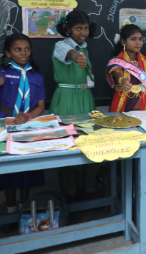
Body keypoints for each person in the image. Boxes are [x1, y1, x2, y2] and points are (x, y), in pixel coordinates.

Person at [0, 33, 45, 216]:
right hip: (6, 123)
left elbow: (40, 106)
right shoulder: (3, 72)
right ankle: (11, 210)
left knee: (26, 168)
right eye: (17, 50)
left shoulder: (37, 76)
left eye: (27, 49)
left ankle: (25, 209)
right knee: (8, 167)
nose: (23, 53)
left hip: (28, 123)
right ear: (8, 53)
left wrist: (27, 116)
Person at [50, 10, 96, 201]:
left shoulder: (85, 48)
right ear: (68, 29)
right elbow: (70, 55)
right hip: (67, 99)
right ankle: (65, 195)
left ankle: (81, 193)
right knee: (66, 146)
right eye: (78, 28)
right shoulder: (61, 45)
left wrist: (80, 54)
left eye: (86, 28)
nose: (83, 32)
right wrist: (77, 57)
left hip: (84, 98)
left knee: (83, 146)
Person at [107, 23, 146, 112]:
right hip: (123, 103)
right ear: (123, 42)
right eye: (133, 39)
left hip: (144, 104)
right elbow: (117, 72)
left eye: (140, 39)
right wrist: (122, 80)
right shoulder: (116, 61)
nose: (138, 43)